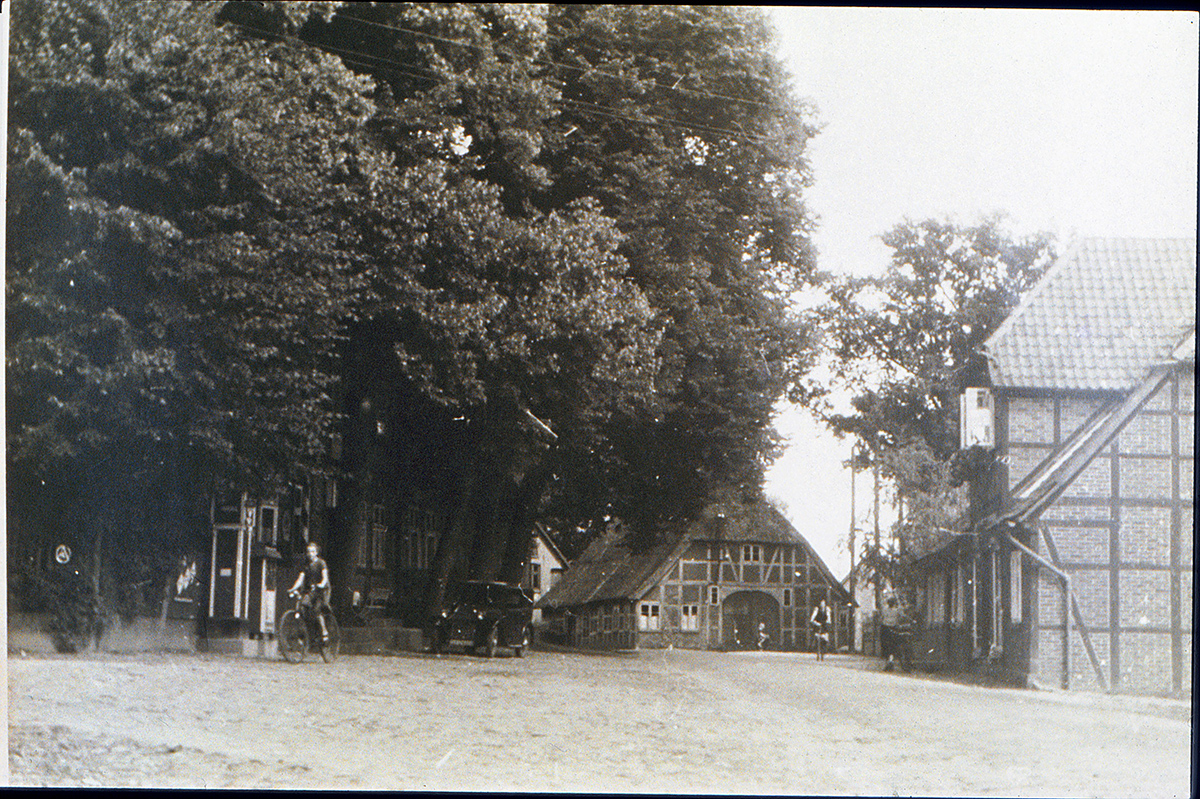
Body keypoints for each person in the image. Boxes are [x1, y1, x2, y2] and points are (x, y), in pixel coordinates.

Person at [289, 542, 331, 642]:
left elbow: (325, 577)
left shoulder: (321, 563)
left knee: (317, 610)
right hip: (311, 590)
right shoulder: (306, 565)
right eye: (308, 552)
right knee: (303, 606)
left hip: (321, 590)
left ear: (316, 553)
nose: (310, 554)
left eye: (312, 551)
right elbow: (300, 579)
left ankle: (324, 632)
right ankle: (308, 631)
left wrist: (321, 584)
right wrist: (293, 588)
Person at [879, 594, 911, 671]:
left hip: (885, 628)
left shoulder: (884, 610)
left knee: (886, 646)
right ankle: (891, 661)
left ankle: (889, 662)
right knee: (893, 645)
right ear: (894, 603)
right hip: (893, 628)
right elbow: (903, 616)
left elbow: (881, 618)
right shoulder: (896, 610)